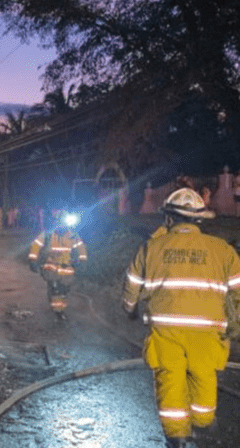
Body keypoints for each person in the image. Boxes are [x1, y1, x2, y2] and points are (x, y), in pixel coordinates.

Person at [122, 188, 240, 448]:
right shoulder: (223, 250)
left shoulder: (151, 247)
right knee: (204, 374)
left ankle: (177, 437)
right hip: (209, 330)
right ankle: (203, 421)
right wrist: (236, 324)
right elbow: (237, 293)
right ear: (200, 219)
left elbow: (132, 285)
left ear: (168, 219)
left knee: (170, 379)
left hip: (166, 328)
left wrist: (130, 310)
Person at [27, 208, 88, 318]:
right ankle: (58, 312)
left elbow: (81, 248)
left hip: (67, 269)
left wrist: (82, 261)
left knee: (64, 291)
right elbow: (36, 245)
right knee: (56, 289)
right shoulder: (48, 235)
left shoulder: (72, 236)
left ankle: (59, 307)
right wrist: (32, 260)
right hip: (51, 268)